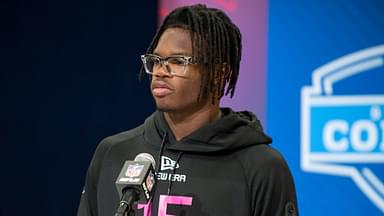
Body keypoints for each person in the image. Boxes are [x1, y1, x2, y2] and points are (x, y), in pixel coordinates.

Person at [77, 4, 298, 216]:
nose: (160, 72)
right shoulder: (112, 152)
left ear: (218, 74)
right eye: (155, 60)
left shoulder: (262, 168)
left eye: (177, 60)